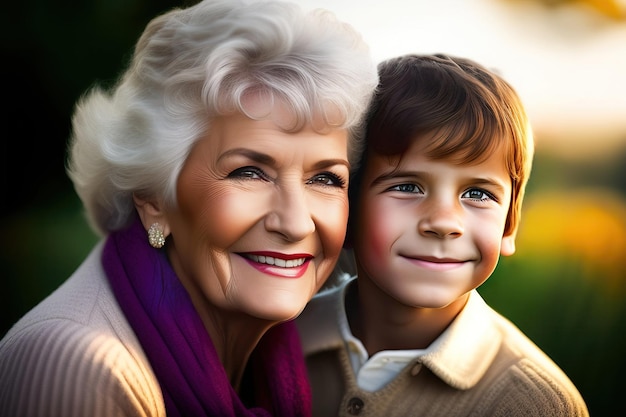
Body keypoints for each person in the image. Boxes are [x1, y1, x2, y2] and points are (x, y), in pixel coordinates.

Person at [0, 1, 378, 416]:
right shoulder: (77, 369)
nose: (294, 222)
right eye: (249, 172)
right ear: (154, 197)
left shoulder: (287, 360)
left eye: (325, 178)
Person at [297, 53, 589, 416]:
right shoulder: (273, 337)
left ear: (509, 225)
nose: (444, 222)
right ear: (348, 207)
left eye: (478, 194)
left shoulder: (535, 404)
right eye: (407, 187)